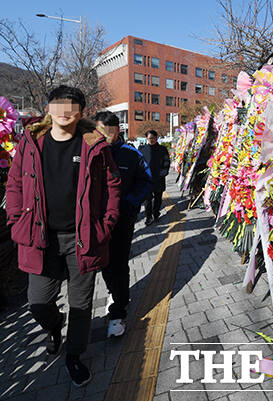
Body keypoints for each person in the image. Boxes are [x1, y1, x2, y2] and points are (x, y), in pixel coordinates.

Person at [6, 86, 121, 387]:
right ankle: (55, 326)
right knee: (37, 302)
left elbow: (112, 187)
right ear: (49, 108)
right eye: (59, 104)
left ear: (81, 112)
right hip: (39, 237)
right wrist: (17, 220)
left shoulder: (94, 144)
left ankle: (74, 355)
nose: (65, 110)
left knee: (80, 304)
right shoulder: (30, 142)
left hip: (83, 238)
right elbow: (15, 183)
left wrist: (105, 224)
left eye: (72, 105)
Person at [93, 111, 152, 337]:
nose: (105, 136)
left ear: (118, 131)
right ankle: (115, 291)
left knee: (118, 261)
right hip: (95, 222)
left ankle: (118, 311)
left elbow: (145, 181)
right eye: (100, 131)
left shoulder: (131, 154)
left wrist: (130, 203)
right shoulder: (89, 153)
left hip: (122, 220)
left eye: (110, 131)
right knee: (103, 264)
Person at [138, 130, 171, 224]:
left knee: (158, 199)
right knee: (147, 200)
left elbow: (166, 162)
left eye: (153, 138)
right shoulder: (142, 149)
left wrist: (163, 173)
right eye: (149, 138)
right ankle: (148, 217)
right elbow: (139, 163)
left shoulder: (162, 149)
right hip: (146, 179)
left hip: (159, 178)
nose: (151, 140)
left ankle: (156, 214)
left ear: (156, 138)